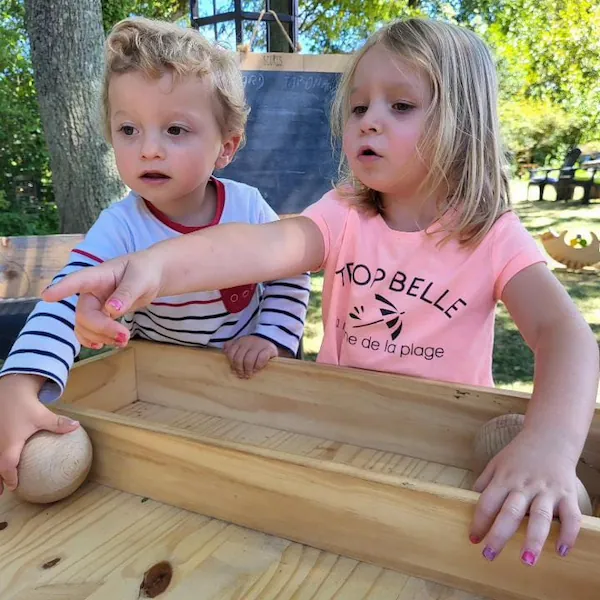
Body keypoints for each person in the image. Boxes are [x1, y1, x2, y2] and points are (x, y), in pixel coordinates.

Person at [42, 18, 599, 566]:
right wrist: (153, 268)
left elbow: (565, 336)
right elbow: (258, 247)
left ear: (464, 121)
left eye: (400, 106)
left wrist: (550, 446)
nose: (369, 122)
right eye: (358, 107)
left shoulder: (492, 236)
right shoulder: (341, 216)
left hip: (443, 455)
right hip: (333, 436)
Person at [0, 18, 310, 495]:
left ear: (225, 147)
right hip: (161, 390)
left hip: (245, 377)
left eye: (175, 130)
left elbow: (292, 271)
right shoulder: (121, 226)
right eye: (128, 129)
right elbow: (66, 296)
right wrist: (20, 383)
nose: (148, 149)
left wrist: (272, 336)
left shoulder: (248, 207)